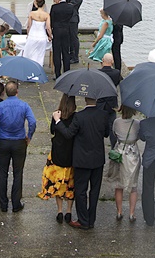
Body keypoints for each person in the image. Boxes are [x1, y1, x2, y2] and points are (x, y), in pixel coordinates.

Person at [53, 95, 110, 231]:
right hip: (97, 159)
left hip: (82, 160)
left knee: (81, 191)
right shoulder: (103, 115)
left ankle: (83, 220)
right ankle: (91, 219)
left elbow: (68, 134)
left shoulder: (79, 116)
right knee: (94, 191)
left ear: (85, 100)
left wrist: (58, 121)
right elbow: (106, 133)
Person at [0, 79, 36, 213]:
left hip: (3, 141)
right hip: (19, 141)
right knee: (18, 172)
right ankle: (16, 203)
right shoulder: (24, 105)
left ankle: (3, 203)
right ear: (17, 92)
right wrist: (29, 136)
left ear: (6, 92)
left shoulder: (0, 107)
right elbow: (32, 122)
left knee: (2, 172)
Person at [38, 93, 76, 223]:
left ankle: (60, 210)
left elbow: (52, 131)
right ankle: (69, 211)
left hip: (57, 154)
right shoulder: (76, 117)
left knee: (57, 183)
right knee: (70, 185)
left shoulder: (56, 115)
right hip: (70, 155)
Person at [106, 104, 140, 222]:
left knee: (118, 185)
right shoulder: (136, 123)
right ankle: (131, 213)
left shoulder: (117, 122)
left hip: (120, 152)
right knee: (133, 186)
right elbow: (138, 136)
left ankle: (119, 211)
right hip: (132, 153)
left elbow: (114, 134)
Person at [96, 52, 121, 140]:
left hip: (100, 101)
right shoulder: (116, 73)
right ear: (112, 61)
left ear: (102, 60)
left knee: (99, 125)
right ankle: (113, 144)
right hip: (112, 102)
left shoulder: (98, 73)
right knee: (112, 126)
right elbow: (117, 83)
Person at [23, 0, 52, 67]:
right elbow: (48, 27)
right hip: (42, 36)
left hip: (32, 35)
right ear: (44, 5)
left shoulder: (32, 14)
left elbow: (28, 26)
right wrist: (50, 36)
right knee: (40, 55)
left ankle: (30, 67)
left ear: (36, 4)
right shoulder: (46, 15)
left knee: (30, 53)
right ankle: (39, 67)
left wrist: (28, 34)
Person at [49, 0, 74, 79]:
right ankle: (67, 72)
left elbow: (51, 19)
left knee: (57, 52)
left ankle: (57, 74)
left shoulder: (54, 7)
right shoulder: (70, 7)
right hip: (66, 30)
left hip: (56, 30)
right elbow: (70, 17)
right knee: (66, 52)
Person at [66, 0, 83, 64]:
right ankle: (70, 54)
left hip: (73, 19)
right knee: (69, 38)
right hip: (69, 18)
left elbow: (71, 5)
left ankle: (75, 57)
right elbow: (67, 1)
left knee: (74, 38)